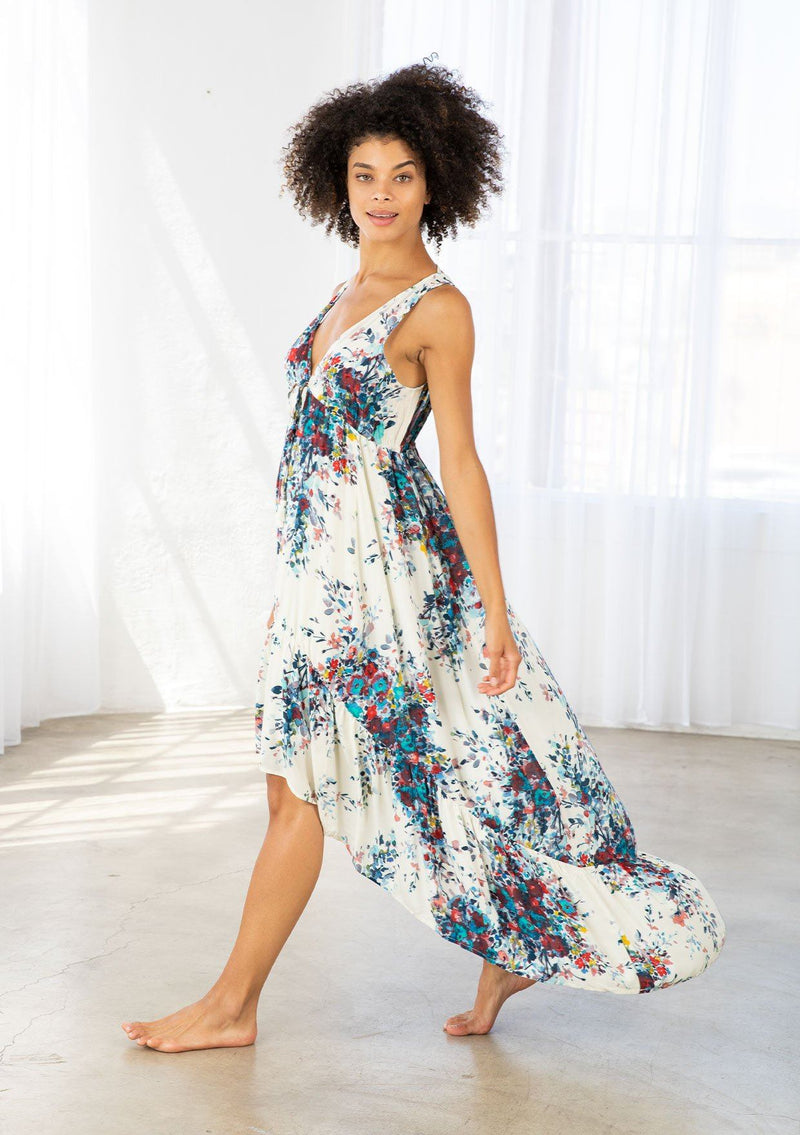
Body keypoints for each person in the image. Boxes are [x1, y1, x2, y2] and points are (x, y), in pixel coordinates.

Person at [122, 62, 726, 1053]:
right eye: (364, 175)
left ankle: (232, 1005)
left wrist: (494, 609)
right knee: (311, 780)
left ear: (433, 181)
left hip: (384, 580)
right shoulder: (346, 290)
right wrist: (291, 591)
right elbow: (315, 458)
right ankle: (506, 946)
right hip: (320, 578)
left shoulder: (438, 309)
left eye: (401, 175)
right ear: (338, 180)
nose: (382, 194)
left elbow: (460, 462)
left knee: (319, 783)